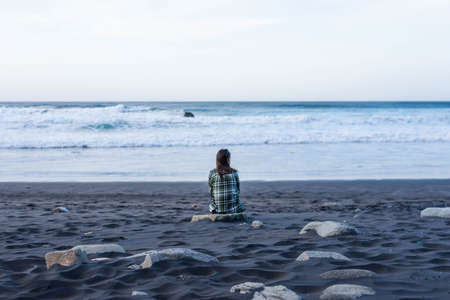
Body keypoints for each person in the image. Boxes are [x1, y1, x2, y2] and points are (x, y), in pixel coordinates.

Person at [208, 149, 245, 214]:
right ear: (228, 159)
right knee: (241, 205)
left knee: (211, 204)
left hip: (218, 209)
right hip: (233, 209)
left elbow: (211, 192)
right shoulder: (234, 173)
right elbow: (238, 191)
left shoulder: (212, 173)